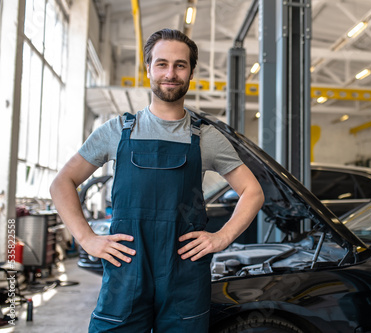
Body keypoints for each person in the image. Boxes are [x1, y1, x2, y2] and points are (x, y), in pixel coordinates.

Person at [50, 28, 264, 332]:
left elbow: (253, 192)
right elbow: (62, 183)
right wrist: (87, 239)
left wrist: (221, 237)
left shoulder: (207, 137)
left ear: (191, 72)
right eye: (162, 63)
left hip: (184, 276)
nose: (171, 73)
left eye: (180, 65)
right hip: (127, 271)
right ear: (148, 68)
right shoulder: (118, 131)